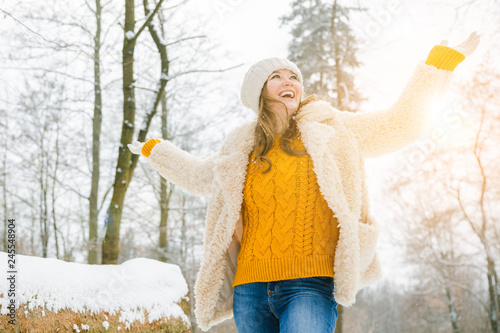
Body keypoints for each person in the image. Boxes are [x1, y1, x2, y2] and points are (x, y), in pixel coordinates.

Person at [128, 32, 480, 332]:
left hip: (310, 283)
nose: (289, 82)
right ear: (259, 92)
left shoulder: (331, 129)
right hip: (249, 287)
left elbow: (398, 125)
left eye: (293, 76)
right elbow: (202, 176)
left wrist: (437, 68)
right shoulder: (241, 144)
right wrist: (155, 150)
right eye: (277, 77)